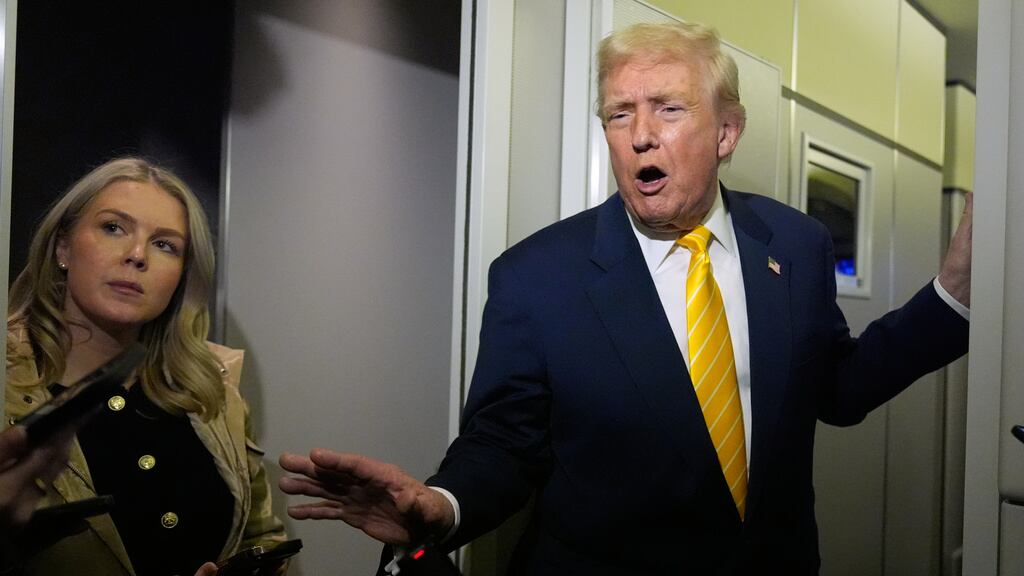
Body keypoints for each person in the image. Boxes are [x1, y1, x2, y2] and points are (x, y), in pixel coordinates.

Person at [278, 21, 971, 575]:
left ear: (726, 132)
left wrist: (953, 296)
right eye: (619, 113)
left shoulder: (794, 243)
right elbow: (503, 445)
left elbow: (836, 388)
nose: (640, 135)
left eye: (668, 109)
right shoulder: (537, 275)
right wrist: (441, 506)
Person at [4, 157, 288, 576]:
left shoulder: (213, 393)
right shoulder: (6, 385)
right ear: (63, 248)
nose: (137, 255)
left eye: (165, 245)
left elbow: (261, 541)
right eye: (113, 228)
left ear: (181, 276)